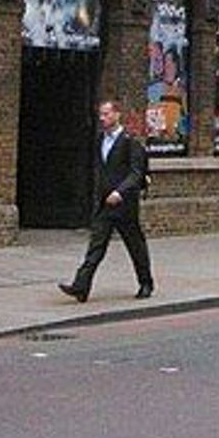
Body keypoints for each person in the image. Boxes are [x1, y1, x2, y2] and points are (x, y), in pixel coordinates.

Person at [59, 100, 154, 302]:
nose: (102, 118)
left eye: (106, 114)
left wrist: (120, 192)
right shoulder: (100, 139)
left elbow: (136, 173)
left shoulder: (130, 141)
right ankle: (81, 286)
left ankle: (146, 282)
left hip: (125, 205)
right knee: (96, 246)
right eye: (101, 115)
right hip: (105, 204)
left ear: (117, 115)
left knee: (135, 245)